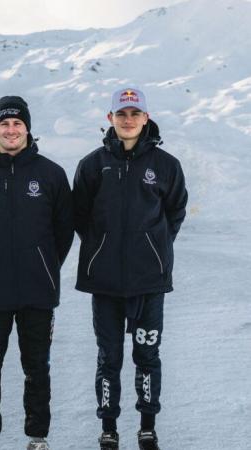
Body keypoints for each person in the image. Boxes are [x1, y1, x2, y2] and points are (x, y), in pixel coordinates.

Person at [73, 88, 187, 450]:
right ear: (110, 118)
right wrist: (102, 247)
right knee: (109, 357)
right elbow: (80, 215)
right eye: (121, 114)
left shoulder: (166, 165)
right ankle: (109, 426)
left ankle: (147, 425)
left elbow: (175, 212)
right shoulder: (93, 165)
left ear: (146, 118)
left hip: (149, 282)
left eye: (135, 114)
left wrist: (154, 246)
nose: (128, 120)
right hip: (105, 283)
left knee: (147, 355)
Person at [0, 96, 74, 450]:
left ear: (27, 128)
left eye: (17, 124)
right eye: (4, 124)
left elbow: (63, 230)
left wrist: (44, 262)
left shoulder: (50, 174)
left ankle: (37, 436)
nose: (10, 130)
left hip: (38, 290)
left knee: (37, 366)